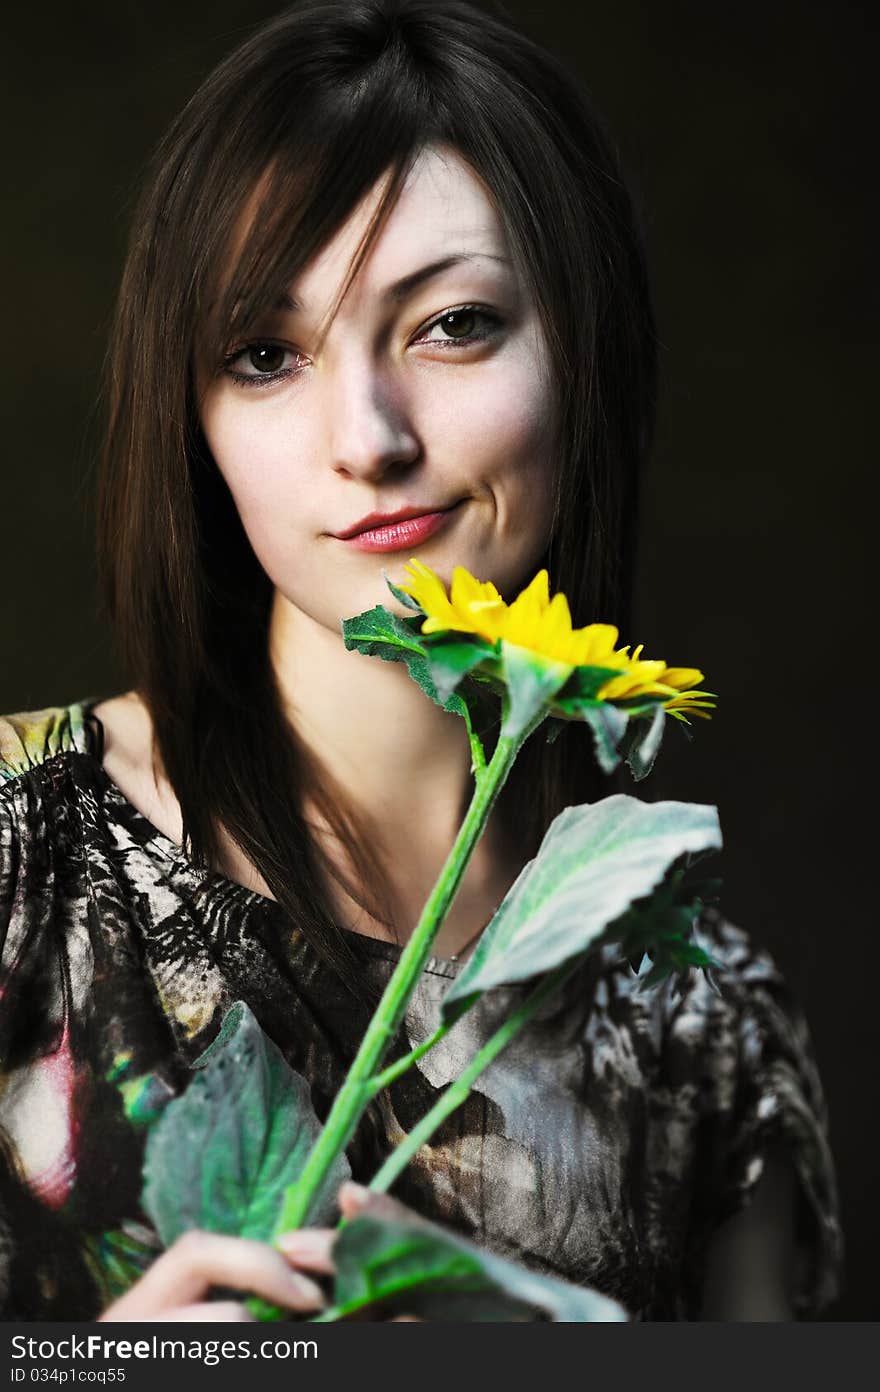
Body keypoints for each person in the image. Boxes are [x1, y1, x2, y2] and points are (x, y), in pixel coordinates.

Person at [0, 0, 843, 1322]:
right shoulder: (22, 848)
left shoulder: (700, 1023)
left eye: (452, 324)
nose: (368, 436)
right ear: (193, 419)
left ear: (584, 344)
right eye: (266, 353)